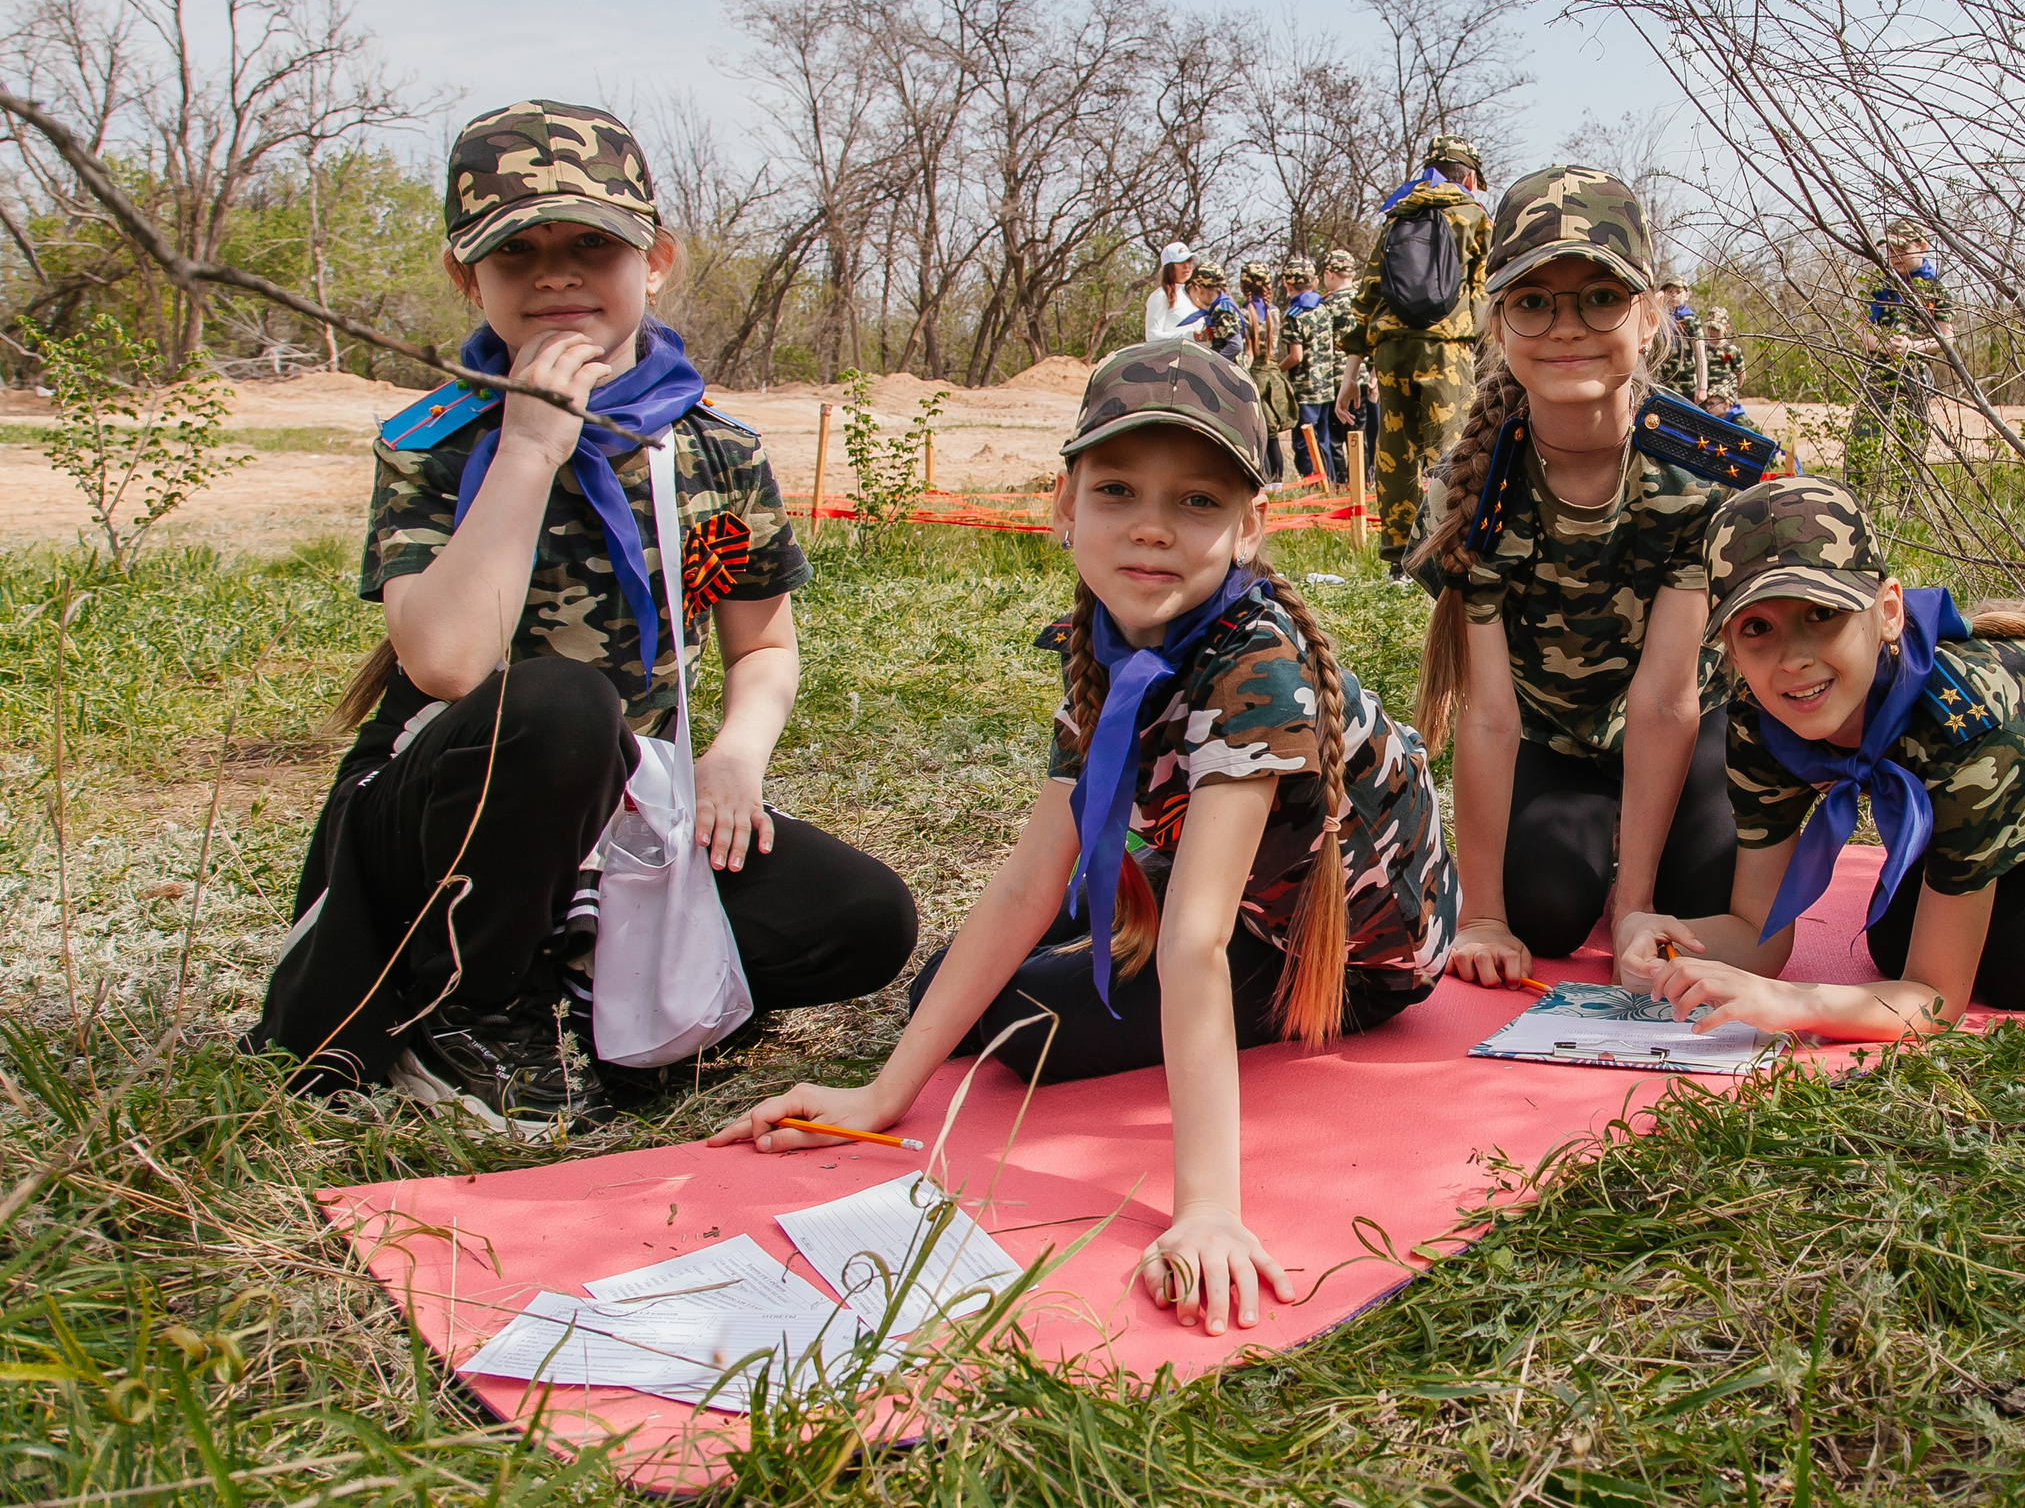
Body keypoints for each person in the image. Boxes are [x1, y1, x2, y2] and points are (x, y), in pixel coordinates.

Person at [716, 341, 1454, 1338]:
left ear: (1247, 529)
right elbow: (1030, 883)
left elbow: (1194, 941)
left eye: (1197, 501)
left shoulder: (1256, 674)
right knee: (949, 986)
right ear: (1064, 507)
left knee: (1015, 1019)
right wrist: (882, 1093)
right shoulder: (1112, 641)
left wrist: (1207, 1212)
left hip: (1347, 955)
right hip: (1229, 874)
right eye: (1117, 490)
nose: (1150, 527)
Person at [249, 100, 918, 1127]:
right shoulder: (435, 441)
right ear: (465, 279)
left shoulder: (714, 450)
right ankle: (466, 1012)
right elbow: (444, 662)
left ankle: (579, 984)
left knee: (865, 921)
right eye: (517, 255)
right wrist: (527, 449)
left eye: (591, 246)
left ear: (654, 261)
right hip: (451, 814)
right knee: (562, 706)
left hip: (630, 813)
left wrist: (736, 758)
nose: (556, 276)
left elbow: (763, 643)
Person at [1621, 476, 2025, 1040]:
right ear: (1730, 650)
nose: (1792, 657)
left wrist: (1796, 1005)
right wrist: (1669, 946)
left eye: (1821, 613)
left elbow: (1937, 1002)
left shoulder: (1969, 732)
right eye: (1757, 628)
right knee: (1893, 943)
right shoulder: (1756, 718)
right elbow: (1758, 933)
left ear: (1887, 611)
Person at [1404, 165, 1743, 985]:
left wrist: (1633, 905)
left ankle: (1634, 855)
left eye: (1600, 296)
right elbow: (1486, 714)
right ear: (1498, 323)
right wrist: (1481, 915)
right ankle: (1595, 845)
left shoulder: (1702, 474)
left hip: (1689, 728)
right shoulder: (1470, 483)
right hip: (1552, 735)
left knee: (1703, 903)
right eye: (1532, 301)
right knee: (1544, 911)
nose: (1567, 327)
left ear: (1652, 314)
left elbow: (1667, 700)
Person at [1341, 134, 1492, 570]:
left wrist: (1350, 375)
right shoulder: (1472, 215)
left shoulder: (1397, 215)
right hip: (1444, 348)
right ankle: (1449, 549)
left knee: (1394, 452)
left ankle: (1397, 560)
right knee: (1453, 450)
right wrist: (1491, 360)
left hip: (1389, 349)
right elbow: (1484, 295)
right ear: (1468, 175)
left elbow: (1368, 296)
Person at [1849, 220, 1945, 495]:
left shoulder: (1935, 288)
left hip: (1915, 374)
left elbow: (1947, 337)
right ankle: (1854, 497)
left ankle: (1909, 503)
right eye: (1890, 248)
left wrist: (1912, 346)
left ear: (1922, 246)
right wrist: (1878, 344)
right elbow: (1858, 327)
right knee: (1862, 436)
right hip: (1879, 373)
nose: (1894, 255)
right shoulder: (1878, 285)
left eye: (1902, 248)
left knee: (1912, 439)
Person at [1275, 256, 1339, 481]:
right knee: (1322, 438)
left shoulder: (1294, 315)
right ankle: (1328, 480)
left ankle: (1312, 482)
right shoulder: (1323, 308)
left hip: (1305, 388)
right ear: (1313, 283)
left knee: (1303, 441)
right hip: (1326, 386)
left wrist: (1276, 369)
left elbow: (1296, 356)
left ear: (1287, 284)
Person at [1323, 248, 1378, 486]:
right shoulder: (1362, 301)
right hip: (1362, 376)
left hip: (1334, 378)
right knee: (1359, 432)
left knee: (1335, 436)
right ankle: (1363, 480)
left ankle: (1340, 482)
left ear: (1329, 274)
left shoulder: (1326, 305)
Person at [1238, 260, 1294, 480]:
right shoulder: (1274, 312)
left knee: (1260, 432)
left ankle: (1267, 479)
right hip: (1273, 374)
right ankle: (1278, 481)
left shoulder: (1243, 313)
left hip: (1255, 374)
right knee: (1273, 434)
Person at [1657, 279, 1705, 400]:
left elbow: (1700, 354)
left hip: (1685, 383)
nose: (1674, 295)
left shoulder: (1691, 319)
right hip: (1660, 382)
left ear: (1686, 295)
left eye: (1678, 291)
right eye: (1670, 291)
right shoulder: (1659, 318)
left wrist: (1702, 387)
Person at [1144, 241, 1200, 342]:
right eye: (1180, 262)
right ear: (1169, 267)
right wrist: (1189, 336)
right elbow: (1152, 336)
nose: (1186, 266)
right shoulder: (1160, 295)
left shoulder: (1193, 294)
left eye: (1189, 261)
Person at [1700, 306, 1746, 421]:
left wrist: (1735, 391)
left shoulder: (1731, 349)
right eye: (1710, 328)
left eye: (1716, 329)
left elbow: (1740, 373)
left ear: (1726, 328)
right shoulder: (1702, 348)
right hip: (1706, 393)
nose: (1713, 332)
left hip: (1725, 394)